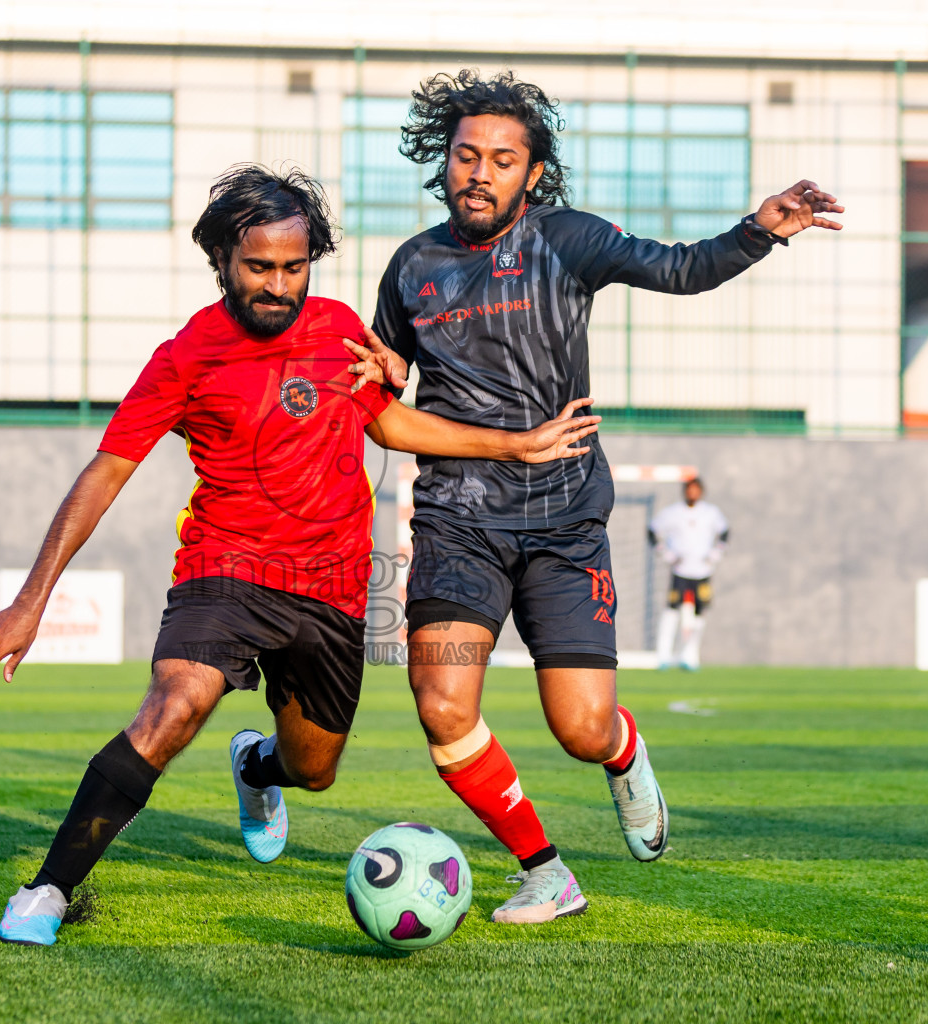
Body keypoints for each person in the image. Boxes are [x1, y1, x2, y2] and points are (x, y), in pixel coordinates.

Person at [0, 164, 600, 946]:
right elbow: (107, 471)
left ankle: (257, 769)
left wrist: (515, 445)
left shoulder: (337, 330)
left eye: (293, 267)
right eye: (258, 267)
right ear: (224, 261)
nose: (277, 285)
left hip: (332, 591)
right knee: (175, 704)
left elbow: (392, 426)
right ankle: (50, 891)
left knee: (314, 767)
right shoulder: (186, 356)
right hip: (224, 570)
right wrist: (32, 601)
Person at [359, 69, 843, 924]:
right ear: (444, 162)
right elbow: (387, 381)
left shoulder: (567, 240)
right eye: (466, 155)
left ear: (532, 173)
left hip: (563, 521)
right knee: (442, 705)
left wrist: (759, 231)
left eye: (503, 160)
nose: (481, 172)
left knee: (581, 728)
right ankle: (545, 871)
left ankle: (624, 758)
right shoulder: (412, 266)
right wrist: (385, 371)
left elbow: (684, 268)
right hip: (457, 522)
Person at [648, 477, 730, 671]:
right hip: (680, 571)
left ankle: (690, 655)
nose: (692, 493)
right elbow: (652, 531)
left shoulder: (710, 513)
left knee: (699, 614)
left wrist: (716, 553)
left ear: (701, 492)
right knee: (672, 610)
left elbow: (725, 532)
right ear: (684, 491)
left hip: (702, 571)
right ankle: (664, 656)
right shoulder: (673, 512)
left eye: (696, 490)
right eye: (689, 490)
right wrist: (666, 554)